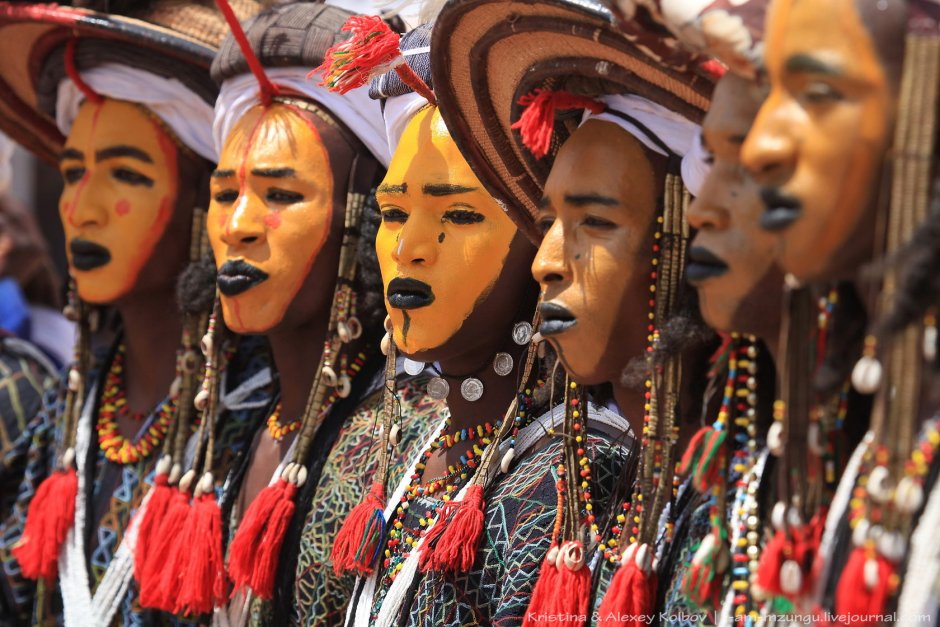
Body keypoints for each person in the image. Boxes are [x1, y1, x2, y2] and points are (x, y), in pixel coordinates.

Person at [316, 18, 632, 627]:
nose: (410, 247)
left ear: (538, 242)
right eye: (392, 212)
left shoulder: (578, 473)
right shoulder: (393, 440)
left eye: (460, 215)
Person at [431, 1, 721, 624]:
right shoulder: (616, 495)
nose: (546, 263)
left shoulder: (732, 503)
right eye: (547, 226)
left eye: (595, 222)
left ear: (698, 235)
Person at [0, 0, 272, 623]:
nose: (82, 208)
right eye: (73, 172)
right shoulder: (67, 413)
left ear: (211, 203)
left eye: (124, 173)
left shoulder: (258, 414)